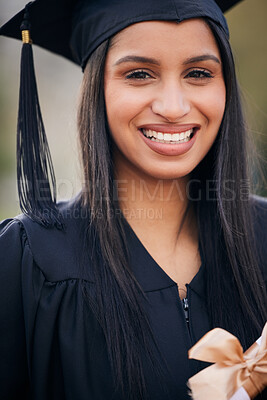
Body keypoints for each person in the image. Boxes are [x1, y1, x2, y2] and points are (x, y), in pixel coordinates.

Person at [0, 0, 266, 399]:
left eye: (199, 73)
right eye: (139, 74)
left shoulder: (263, 237)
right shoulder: (31, 260)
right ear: (96, 90)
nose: (174, 107)